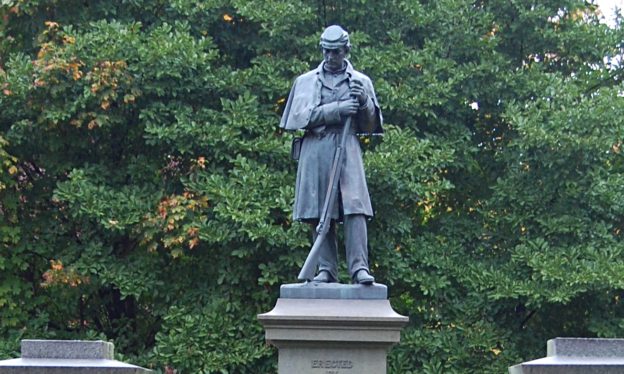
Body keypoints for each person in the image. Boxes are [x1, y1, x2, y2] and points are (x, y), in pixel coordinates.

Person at [279, 25, 383, 284]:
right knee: (318, 211)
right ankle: (326, 269)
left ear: (346, 51)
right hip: (316, 148)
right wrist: (337, 109)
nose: (329, 57)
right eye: (326, 51)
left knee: (355, 207)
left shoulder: (361, 81)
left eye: (335, 52)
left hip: (348, 146)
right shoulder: (305, 82)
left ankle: (360, 268)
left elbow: (371, 128)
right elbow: (299, 118)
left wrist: (364, 103)